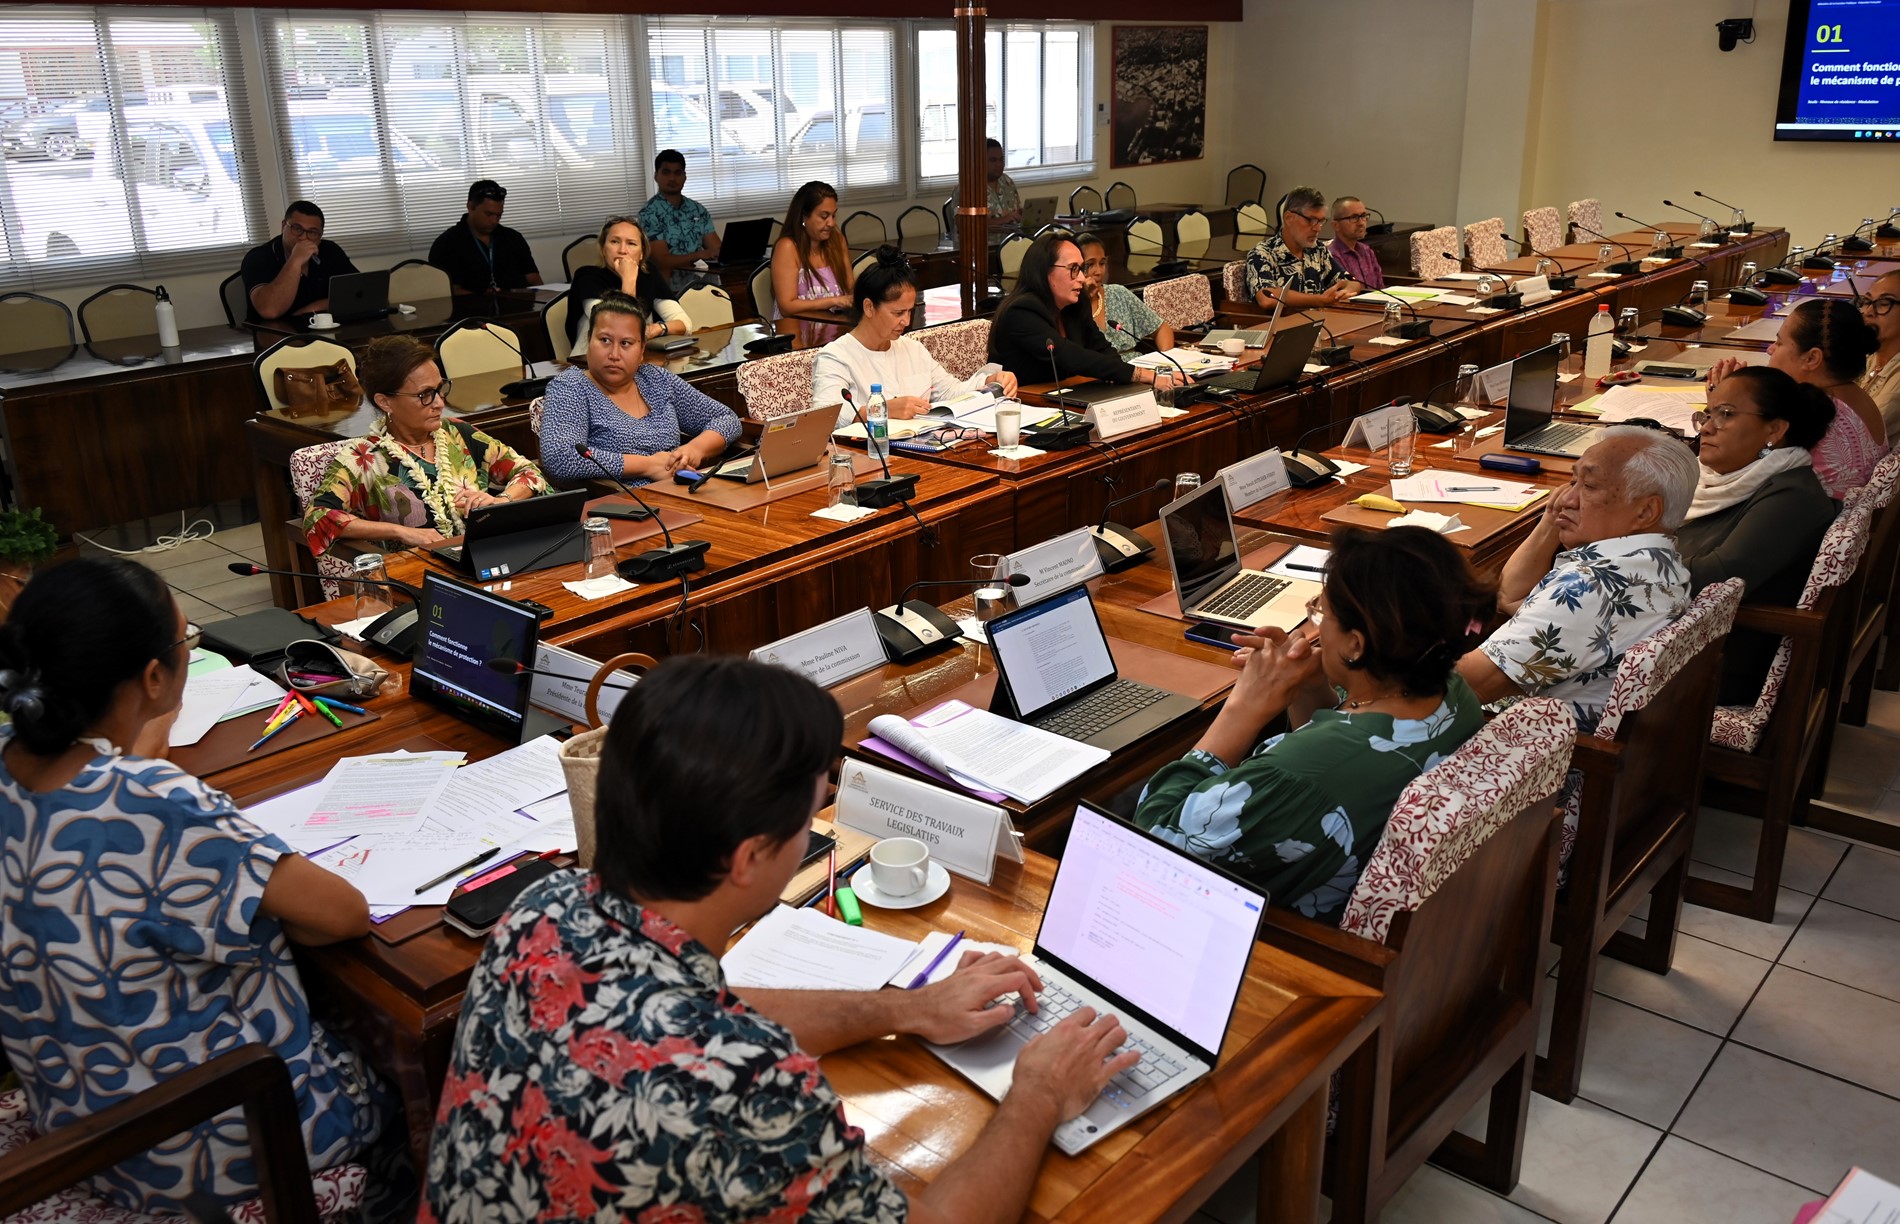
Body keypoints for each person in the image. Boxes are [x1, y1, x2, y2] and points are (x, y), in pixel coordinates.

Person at [420, 655, 1140, 1223]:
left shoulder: (544, 910)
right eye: (809, 815)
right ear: (749, 857)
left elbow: (710, 1006)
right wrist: (1038, 1095)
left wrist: (907, 1008)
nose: (815, 825)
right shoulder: (750, 1090)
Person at [0, 557, 407, 1219]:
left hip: (81, 1127)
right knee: (412, 1055)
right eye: (186, 642)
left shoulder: (19, 771)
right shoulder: (156, 802)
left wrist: (142, 738)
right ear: (153, 677)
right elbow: (343, 915)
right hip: (223, 1138)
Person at [1133, 527, 1493, 923]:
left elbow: (1154, 847)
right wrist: (1309, 687)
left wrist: (1242, 708)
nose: (1315, 628)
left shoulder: (1293, 776)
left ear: (1355, 644)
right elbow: (1337, 756)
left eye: (1321, 613)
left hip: (1275, 937)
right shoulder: (1453, 693)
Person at [1456, 426, 1698, 733]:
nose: (1566, 499)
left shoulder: (1590, 587)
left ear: (1646, 511)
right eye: (1572, 482)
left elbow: (1467, 688)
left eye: (1589, 486)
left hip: (1531, 747)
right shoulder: (1659, 562)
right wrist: (1553, 518)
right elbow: (1511, 596)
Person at [303, 335, 554, 559]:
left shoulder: (457, 433)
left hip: (485, 557)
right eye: (424, 394)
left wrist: (501, 500)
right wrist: (400, 532)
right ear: (385, 402)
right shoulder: (364, 457)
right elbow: (318, 516)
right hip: (416, 572)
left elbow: (528, 473)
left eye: (440, 390)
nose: (439, 403)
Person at [1676, 367, 1839, 704]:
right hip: (1687, 636)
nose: (1706, 427)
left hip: (1714, 664)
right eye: (1708, 414)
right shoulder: (1733, 479)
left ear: (1774, 430)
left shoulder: (1792, 498)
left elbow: (1718, 578)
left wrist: (1626, 560)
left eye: (1726, 414)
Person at [539, 293, 741, 487]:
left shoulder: (655, 379)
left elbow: (726, 419)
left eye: (626, 343)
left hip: (681, 490)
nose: (614, 354)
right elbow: (560, 459)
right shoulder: (571, 387)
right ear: (589, 340)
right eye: (605, 340)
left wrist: (694, 449)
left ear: (642, 349)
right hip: (624, 501)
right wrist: (648, 466)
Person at [810, 246, 1018, 427]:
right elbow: (827, 415)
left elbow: (950, 393)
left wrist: (991, 381)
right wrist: (882, 409)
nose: (906, 321)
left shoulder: (913, 349)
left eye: (910, 311)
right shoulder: (836, 356)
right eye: (898, 313)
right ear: (869, 307)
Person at [1707, 297, 1886, 500]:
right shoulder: (1854, 395)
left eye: (1779, 342)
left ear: (1811, 358)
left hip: (1798, 515)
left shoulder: (1815, 415)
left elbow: (1728, 468)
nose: (1770, 349)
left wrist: (1720, 404)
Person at [987, 232, 1158, 388]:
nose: (1082, 278)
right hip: (1024, 402)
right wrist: (1138, 374)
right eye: (1074, 269)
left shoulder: (1075, 304)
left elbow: (1101, 348)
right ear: (1046, 271)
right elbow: (1069, 356)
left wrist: (1120, 377)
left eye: (1081, 269)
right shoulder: (1021, 311)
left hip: (1066, 393)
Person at [564, 215, 690, 356]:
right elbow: (618, 328)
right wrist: (628, 280)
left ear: (641, 253)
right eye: (614, 242)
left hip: (637, 359)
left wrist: (654, 329)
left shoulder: (648, 274)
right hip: (590, 361)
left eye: (631, 243)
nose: (622, 250)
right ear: (603, 249)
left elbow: (684, 324)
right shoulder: (587, 277)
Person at [1245, 186, 1360, 311]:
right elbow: (1267, 298)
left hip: (1321, 320)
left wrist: (1341, 293)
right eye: (1312, 220)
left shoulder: (1317, 250)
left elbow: (1353, 283)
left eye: (1321, 221)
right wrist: (1320, 300)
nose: (1318, 228)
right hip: (1283, 322)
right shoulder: (1262, 254)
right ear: (1289, 218)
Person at [241, 200, 358, 321]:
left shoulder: (330, 250)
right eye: (297, 228)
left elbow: (358, 293)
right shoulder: (258, 257)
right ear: (283, 226)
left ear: (320, 235)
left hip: (320, 326)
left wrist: (309, 310)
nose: (303, 237)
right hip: (271, 330)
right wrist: (296, 260)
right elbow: (270, 310)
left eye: (312, 232)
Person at [770, 180, 855, 346]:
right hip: (796, 335)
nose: (831, 223)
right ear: (804, 217)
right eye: (824, 216)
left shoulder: (837, 241)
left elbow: (850, 287)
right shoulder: (787, 247)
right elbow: (786, 306)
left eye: (833, 215)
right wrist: (835, 301)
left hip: (835, 331)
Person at [426, 179, 542, 296]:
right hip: (473, 307)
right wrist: (486, 297)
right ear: (471, 207)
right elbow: (450, 293)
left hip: (518, 305)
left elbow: (534, 280)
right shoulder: (447, 244)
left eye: (499, 215)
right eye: (488, 214)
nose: (494, 221)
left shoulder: (513, 238)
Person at [1076, 230, 1174, 356]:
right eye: (1090, 265)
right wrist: (1084, 299)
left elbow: (1161, 328)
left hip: (1137, 365)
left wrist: (1166, 361)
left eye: (1102, 263)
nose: (1099, 271)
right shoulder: (1070, 306)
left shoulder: (1118, 294)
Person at [639, 148, 721, 295]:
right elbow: (662, 261)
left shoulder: (697, 209)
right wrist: (699, 255)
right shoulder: (649, 213)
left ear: (684, 177)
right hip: (669, 289)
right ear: (656, 176)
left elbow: (716, 249)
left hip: (704, 284)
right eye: (666, 172)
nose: (672, 178)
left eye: (677, 173)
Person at [1858, 269, 1900, 439]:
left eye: (1883, 303)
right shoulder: (1868, 357)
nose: (1869, 311)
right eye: (1867, 301)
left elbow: (1859, 435)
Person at [1328, 195, 1387, 291]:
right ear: (1336, 225)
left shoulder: (1366, 251)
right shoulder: (1331, 256)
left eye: (1363, 216)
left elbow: (1380, 287)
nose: (1361, 223)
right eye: (1354, 217)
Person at [986, 137, 1021, 227]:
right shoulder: (968, 189)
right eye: (993, 160)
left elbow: (1017, 210)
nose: (999, 164)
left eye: (1001, 160)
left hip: (1015, 234)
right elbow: (966, 225)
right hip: (988, 236)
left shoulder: (1007, 182)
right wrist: (1002, 220)